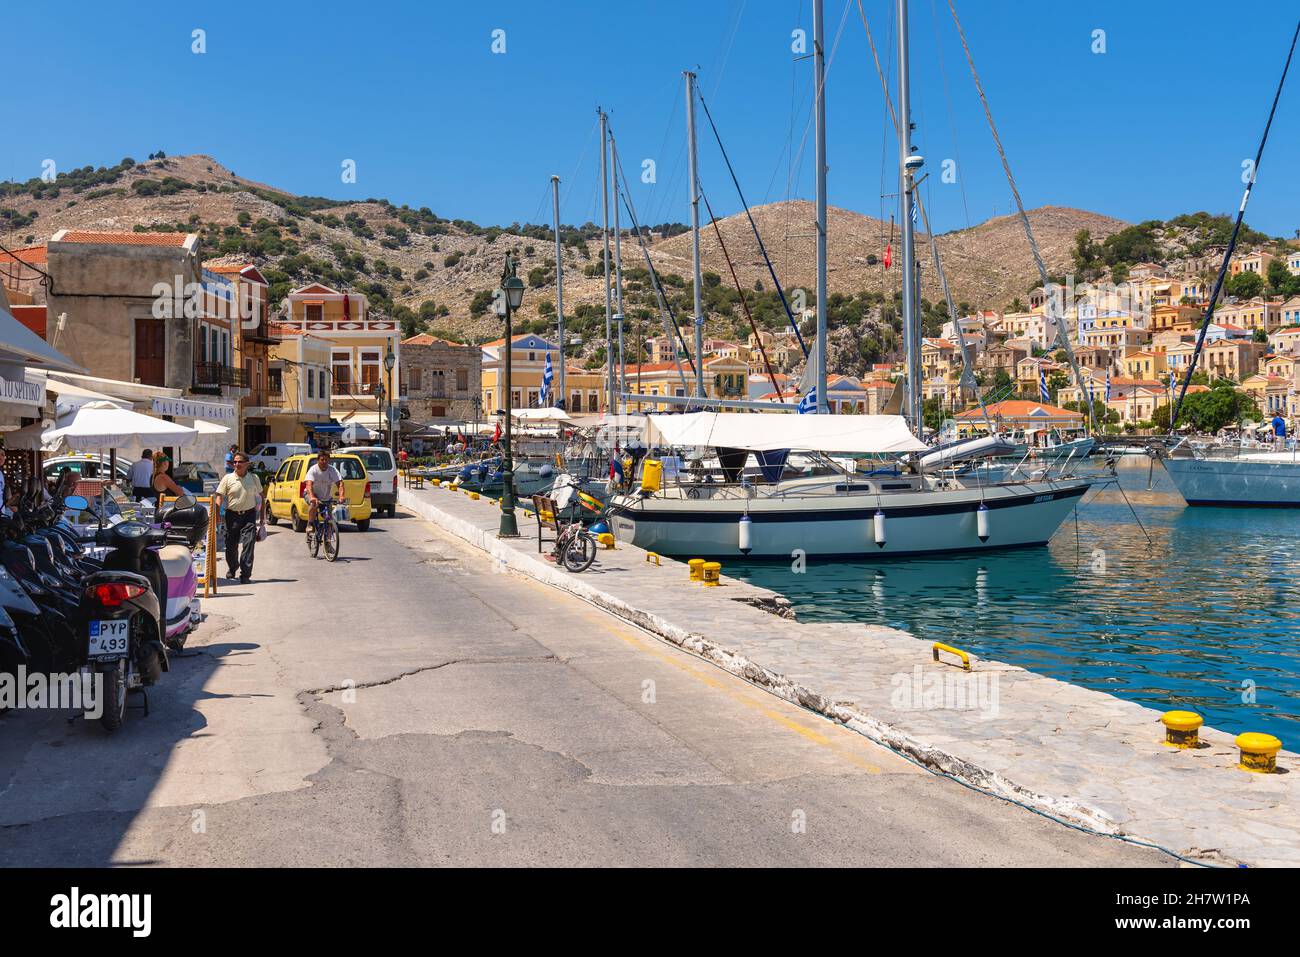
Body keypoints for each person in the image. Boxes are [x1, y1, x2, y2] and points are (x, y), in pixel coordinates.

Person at [213, 451, 262, 584]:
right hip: (232, 515)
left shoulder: (254, 478)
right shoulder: (227, 478)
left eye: (240, 461)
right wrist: (217, 514)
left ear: (247, 463)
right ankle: (233, 566)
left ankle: (245, 574)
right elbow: (219, 497)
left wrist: (262, 520)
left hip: (249, 515)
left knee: (249, 544)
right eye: (234, 462)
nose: (236, 464)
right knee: (231, 545)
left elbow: (260, 497)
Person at [304, 450, 344, 528]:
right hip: (311, 494)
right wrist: (312, 497)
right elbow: (309, 485)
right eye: (322, 460)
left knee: (330, 519)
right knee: (314, 504)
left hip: (326, 497)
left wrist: (341, 496)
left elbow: (340, 484)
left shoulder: (332, 470)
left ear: (329, 460)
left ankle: (328, 539)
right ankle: (310, 524)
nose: (324, 461)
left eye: (326, 460)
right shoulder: (313, 470)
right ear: (318, 460)